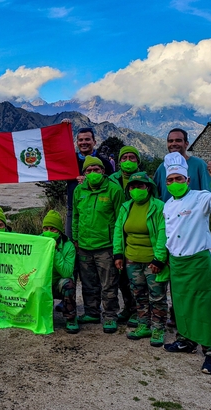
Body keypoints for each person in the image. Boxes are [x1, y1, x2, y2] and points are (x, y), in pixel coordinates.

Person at [161, 152, 211, 375]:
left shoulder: (200, 198)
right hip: (178, 263)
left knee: (206, 305)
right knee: (181, 304)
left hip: (198, 261)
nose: (174, 184)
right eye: (170, 180)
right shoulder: (167, 205)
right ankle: (186, 340)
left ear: (187, 180)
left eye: (178, 179)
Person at [113, 172, 168, 347]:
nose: (136, 189)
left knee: (157, 296)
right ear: (128, 189)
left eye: (140, 186)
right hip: (131, 260)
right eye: (133, 186)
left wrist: (159, 259)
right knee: (139, 294)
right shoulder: (125, 207)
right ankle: (144, 325)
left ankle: (158, 328)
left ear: (148, 188)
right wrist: (118, 254)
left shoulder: (159, 207)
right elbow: (118, 232)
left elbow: (163, 233)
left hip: (153, 261)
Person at [154, 128, 211, 239]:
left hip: (193, 223)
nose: (173, 144)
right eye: (170, 141)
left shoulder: (198, 165)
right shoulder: (162, 168)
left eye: (178, 140)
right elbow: (155, 196)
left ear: (186, 144)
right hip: (169, 223)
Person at [72, 156, 124, 334]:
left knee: (108, 283)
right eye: (89, 170)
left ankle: (110, 316)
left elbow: (120, 220)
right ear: (84, 173)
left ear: (103, 171)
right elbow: (76, 216)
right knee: (88, 283)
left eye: (96, 170)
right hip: (85, 245)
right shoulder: (79, 191)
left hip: (106, 246)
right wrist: (76, 238)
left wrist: (118, 247)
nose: (93, 173)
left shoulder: (114, 190)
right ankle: (92, 312)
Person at [109, 145, 142, 327]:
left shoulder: (144, 180)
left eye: (132, 157)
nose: (128, 161)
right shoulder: (112, 180)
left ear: (138, 161)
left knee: (136, 276)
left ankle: (140, 310)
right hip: (118, 231)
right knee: (121, 274)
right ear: (119, 161)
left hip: (137, 232)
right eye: (124, 158)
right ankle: (128, 307)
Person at [63, 125, 114, 239]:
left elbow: (111, 184)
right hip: (73, 209)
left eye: (87, 139)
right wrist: (62, 128)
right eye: (80, 140)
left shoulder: (104, 163)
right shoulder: (70, 160)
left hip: (98, 210)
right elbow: (54, 151)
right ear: (77, 143)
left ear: (94, 142)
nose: (83, 142)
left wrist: (92, 179)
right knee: (71, 242)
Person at [41, 210, 79, 334]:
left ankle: (71, 318)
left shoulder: (69, 246)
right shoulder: (37, 242)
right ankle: (41, 316)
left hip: (58, 284)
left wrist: (55, 251)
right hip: (43, 282)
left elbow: (67, 272)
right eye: (46, 228)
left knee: (68, 283)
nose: (48, 232)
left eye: (53, 229)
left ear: (59, 231)